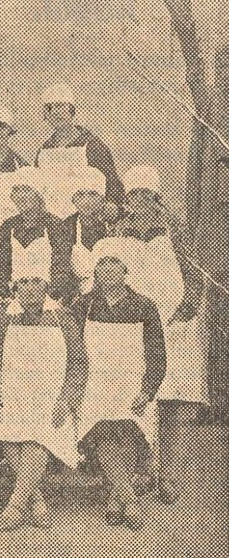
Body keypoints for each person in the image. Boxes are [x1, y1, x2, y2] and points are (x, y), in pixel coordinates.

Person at [0, 260, 86, 532]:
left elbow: (78, 364)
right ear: (15, 288)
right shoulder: (2, 322)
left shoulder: (63, 319)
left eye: (36, 282)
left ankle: (15, 506)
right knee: (9, 433)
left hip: (51, 401)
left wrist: (67, 400)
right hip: (13, 397)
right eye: (24, 282)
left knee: (37, 435)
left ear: (46, 286)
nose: (30, 288)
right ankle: (36, 499)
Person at [115, 165, 205, 504]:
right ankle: (142, 470)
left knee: (172, 401)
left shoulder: (175, 229)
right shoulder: (118, 230)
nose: (138, 200)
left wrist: (187, 308)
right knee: (137, 397)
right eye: (133, 195)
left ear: (156, 197)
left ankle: (168, 475)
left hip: (173, 323)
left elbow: (195, 272)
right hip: (136, 324)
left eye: (144, 195)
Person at [73, 239, 166, 531]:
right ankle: (129, 499)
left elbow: (157, 358)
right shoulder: (83, 305)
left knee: (127, 430)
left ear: (126, 269)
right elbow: (71, 352)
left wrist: (147, 391)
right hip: (94, 387)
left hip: (132, 385)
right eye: (103, 263)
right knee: (103, 431)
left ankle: (117, 497)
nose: (109, 269)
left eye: (115, 263)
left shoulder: (144, 305)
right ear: (95, 269)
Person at [0, 166, 73, 305]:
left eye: (27, 190)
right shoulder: (8, 226)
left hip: (47, 299)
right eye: (17, 190)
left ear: (39, 195)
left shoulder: (55, 225)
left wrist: (52, 294)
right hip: (13, 299)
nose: (21, 196)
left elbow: (61, 266)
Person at [35, 83, 124, 206]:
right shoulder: (43, 151)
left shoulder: (93, 146)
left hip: (86, 216)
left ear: (71, 110)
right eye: (49, 108)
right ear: (45, 115)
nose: (55, 112)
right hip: (51, 217)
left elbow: (113, 188)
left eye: (60, 106)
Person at [64, 167, 113, 299]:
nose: (86, 201)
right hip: (78, 298)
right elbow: (62, 270)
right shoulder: (66, 227)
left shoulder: (113, 227)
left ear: (102, 199)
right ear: (74, 199)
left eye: (92, 194)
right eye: (80, 195)